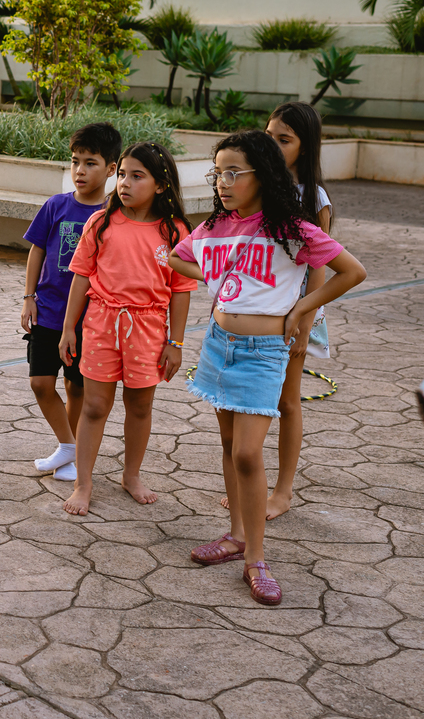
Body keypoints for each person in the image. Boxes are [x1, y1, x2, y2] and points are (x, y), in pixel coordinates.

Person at [170, 130, 365, 606]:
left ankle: (256, 558)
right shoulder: (217, 227)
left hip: (263, 351)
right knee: (227, 443)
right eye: (217, 172)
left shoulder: (291, 229)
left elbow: (352, 271)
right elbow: (178, 257)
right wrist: (216, 273)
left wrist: (302, 310)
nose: (222, 181)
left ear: (264, 174)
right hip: (217, 345)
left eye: (234, 172)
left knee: (247, 453)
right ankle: (235, 535)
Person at [58, 142, 197, 515]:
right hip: (101, 324)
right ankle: (83, 483)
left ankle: (131, 475)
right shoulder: (100, 222)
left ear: (161, 185)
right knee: (95, 406)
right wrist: (69, 327)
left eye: (138, 176)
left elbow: (181, 291)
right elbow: (81, 277)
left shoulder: (175, 231)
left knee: (139, 406)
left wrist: (176, 342)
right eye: (122, 174)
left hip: (149, 329)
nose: (125, 183)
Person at [219, 101, 334, 519]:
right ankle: (249, 484)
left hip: (293, 316)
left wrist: (303, 319)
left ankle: (282, 491)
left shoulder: (312, 197)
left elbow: (318, 263)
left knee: (285, 402)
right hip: (255, 312)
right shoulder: (258, 187)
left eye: (283, 139)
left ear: (305, 148)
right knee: (247, 406)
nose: (272, 144)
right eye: (269, 136)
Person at [23, 122, 120, 481]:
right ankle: (68, 445)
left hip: (90, 319)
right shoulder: (56, 206)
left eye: (90, 162)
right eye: (75, 161)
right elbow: (37, 251)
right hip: (48, 310)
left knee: (76, 388)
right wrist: (28, 297)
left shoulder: (115, 214)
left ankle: (73, 457)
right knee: (40, 383)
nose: (80, 170)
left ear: (111, 169)